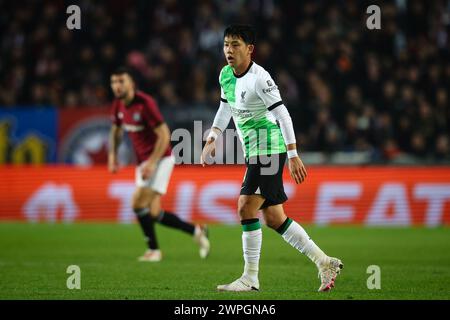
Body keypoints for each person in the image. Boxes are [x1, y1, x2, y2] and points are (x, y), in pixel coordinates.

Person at [201, 25, 343, 292]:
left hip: (268, 149)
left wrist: (293, 154)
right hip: (253, 152)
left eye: (235, 45)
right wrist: (213, 136)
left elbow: (282, 115)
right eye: (226, 45)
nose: (229, 51)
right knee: (274, 218)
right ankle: (324, 261)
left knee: (245, 207)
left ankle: (250, 278)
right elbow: (224, 107)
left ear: (249, 49)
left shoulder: (260, 79)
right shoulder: (225, 75)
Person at [109, 67, 210, 262]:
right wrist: (112, 155)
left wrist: (152, 163)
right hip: (143, 162)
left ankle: (154, 250)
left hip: (160, 159)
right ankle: (196, 230)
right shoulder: (118, 105)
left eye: (121, 81)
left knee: (137, 203)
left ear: (132, 84)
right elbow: (115, 130)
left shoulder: (145, 104)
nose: (117, 86)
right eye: (114, 82)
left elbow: (164, 135)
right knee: (153, 212)